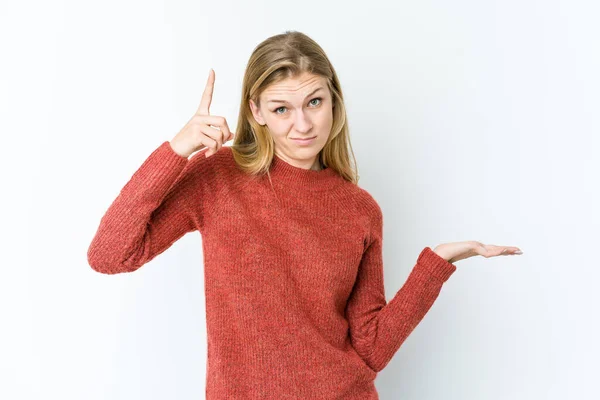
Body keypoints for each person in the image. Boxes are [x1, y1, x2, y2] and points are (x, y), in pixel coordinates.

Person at [87, 30, 522, 399]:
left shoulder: (359, 209)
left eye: (314, 102)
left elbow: (370, 350)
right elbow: (109, 255)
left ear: (333, 99)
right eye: (281, 109)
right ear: (256, 112)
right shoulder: (218, 177)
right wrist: (176, 151)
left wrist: (436, 264)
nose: (303, 125)